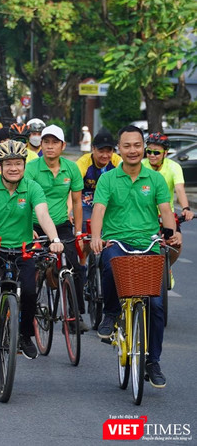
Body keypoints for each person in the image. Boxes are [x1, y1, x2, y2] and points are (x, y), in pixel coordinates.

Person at [90, 125, 181, 388]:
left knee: (156, 305)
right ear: (120, 149)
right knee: (109, 264)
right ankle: (110, 312)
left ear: (144, 148)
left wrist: (171, 233)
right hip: (117, 240)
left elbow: (165, 210)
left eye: (137, 145)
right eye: (127, 146)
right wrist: (97, 236)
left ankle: (153, 362)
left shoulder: (156, 180)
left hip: (149, 243)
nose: (133, 150)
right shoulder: (108, 179)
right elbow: (98, 209)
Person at [0, 140, 65, 358]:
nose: (14, 168)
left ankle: (25, 336)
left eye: (18, 163)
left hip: (22, 249)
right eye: (8, 164)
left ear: (24, 165)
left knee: (28, 290)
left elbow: (43, 214)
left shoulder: (32, 187)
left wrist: (54, 238)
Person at [24, 125, 87, 330]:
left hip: (61, 225)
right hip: (34, 225)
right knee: (27, 270)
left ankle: (74, 316)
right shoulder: (31, 168)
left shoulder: (72, 168)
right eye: (46, 142)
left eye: (55, 143)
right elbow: (23, 200)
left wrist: (78, 232)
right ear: (41, 145)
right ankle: (23, 314)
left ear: (63, 145)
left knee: (74, 267)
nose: (50, 147)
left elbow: (77, 202)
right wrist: (26, 227)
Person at [142, 132, 194, 264]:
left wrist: (186, 208)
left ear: (165, 153)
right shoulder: (141, 165)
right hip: (143, 214)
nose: (152, 156)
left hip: (166, 215)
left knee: (176, 244)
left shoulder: (173, 167)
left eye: (156, 153)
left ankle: (167, 268)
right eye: (149, 151)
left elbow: (179, 189)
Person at [76, 129, 121, 231]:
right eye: (101, 151)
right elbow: (73, 187)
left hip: (109, 203)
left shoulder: (118, 162)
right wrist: (68, 212)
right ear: (93, 149)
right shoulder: (83, 162)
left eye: (109, 151)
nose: (105, 155)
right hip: (87, 203)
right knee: (87, 226)